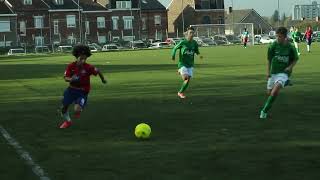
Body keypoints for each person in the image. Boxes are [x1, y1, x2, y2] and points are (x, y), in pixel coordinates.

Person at [59, 44, 107, 128]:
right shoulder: (71, 66)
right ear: (76, 57)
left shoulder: (88, 67)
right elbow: (66, 78)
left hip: (83, 91)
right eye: (81, 58)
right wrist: (71, 79)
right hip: (71, 90)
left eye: (85, 58)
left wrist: (103, 80)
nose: (83, 60)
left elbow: (98, 71)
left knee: (77, 109)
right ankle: (68, 122)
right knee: (63, 108)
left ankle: (79, 107)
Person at [260, 27, 299, 119]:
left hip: (284, 73)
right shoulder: (273, 46)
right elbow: (269, 60)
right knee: (269, 93)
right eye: (277, 36)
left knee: (274, 91)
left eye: (280, 37)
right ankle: (286, 82)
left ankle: (263, 112)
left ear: (285, 37)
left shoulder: (290, 47)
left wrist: (290, 67)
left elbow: (296, 59)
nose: (278, 38)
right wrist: (268, 72)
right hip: (273, 72)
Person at [171, 27, 203, 99]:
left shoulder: (194, 43)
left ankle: (180, 92)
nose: (192, 34)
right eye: (190, 33)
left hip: (190, 64)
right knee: (186, 78)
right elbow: (175, 48)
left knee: (187, 80)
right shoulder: (183, 42)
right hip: (182, 64)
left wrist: (199, 55)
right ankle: (180, 92)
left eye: (193, 33)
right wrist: (173, 56)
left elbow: (196, 51)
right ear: (187, 34)